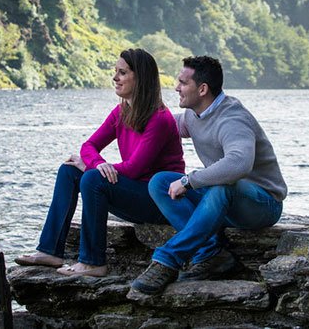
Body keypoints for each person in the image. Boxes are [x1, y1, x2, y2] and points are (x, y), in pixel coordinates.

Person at [15, 48, 185, 277]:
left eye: (122, 73)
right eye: (115, 71)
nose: (115, 77)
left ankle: (94, 262)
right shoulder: (121, 112)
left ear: (140, 77)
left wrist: (93, 167)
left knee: (93, 178)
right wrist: (96, 163)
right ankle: (51, 251)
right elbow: (88, 146)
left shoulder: (160, 119)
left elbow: (136, 168)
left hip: (158, 200)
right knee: (68, 171)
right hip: (133, 191)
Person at [130, 55, 287, 294]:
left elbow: (239, 164)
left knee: (223, 185)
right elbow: (162, 127)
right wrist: (130, 112)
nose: (176, 87)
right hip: (224, 200)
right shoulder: (194, 116)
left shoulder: (232, 118)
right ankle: (211, 253)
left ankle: (168, 259)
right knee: (160, 182)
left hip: (261, 204)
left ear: (202, 89)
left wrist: (189, 181)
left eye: (183, 83)